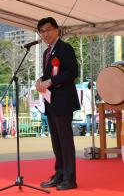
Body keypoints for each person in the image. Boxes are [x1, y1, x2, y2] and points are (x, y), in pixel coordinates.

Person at [36, 17, 80, 191]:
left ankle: (70, 178)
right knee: (56, 140)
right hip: (51, 102)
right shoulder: (47, 52)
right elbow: (48, 74)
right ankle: (59, 173)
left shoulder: (65, 48)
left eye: (48, 30)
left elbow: (72, 72)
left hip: (63, 100)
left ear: (57, 30)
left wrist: (51, 81)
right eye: (42, 31)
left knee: (65, 140)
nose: (45, 34)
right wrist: (40, 80)